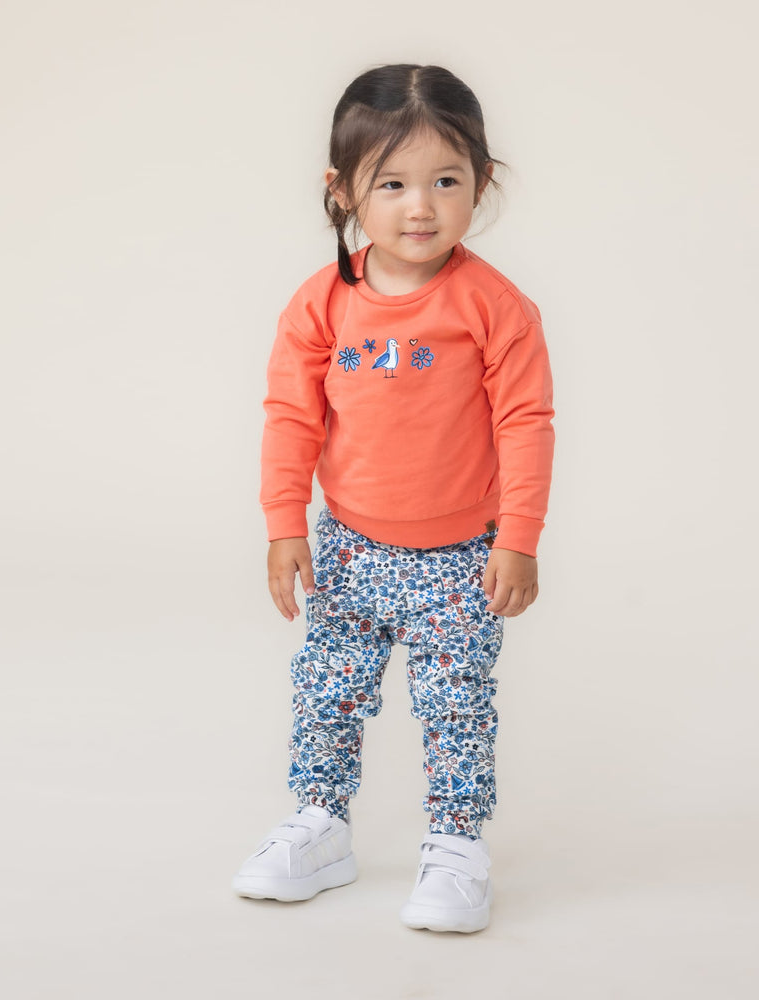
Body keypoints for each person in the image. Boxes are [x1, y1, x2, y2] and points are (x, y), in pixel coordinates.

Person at [233, 63, 555, 934]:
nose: (421, 207)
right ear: (342, 190)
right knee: (326, 692)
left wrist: (519, 536)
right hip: (350, 548)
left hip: (461, 559)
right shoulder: (321, 304)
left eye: (446, 181)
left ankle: (456, 845)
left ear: (482, 183)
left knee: (456, 705)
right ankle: (321, 824)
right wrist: (284, 524)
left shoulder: (494, 307)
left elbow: (526, 421)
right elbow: (291, 417)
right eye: (393, 184)